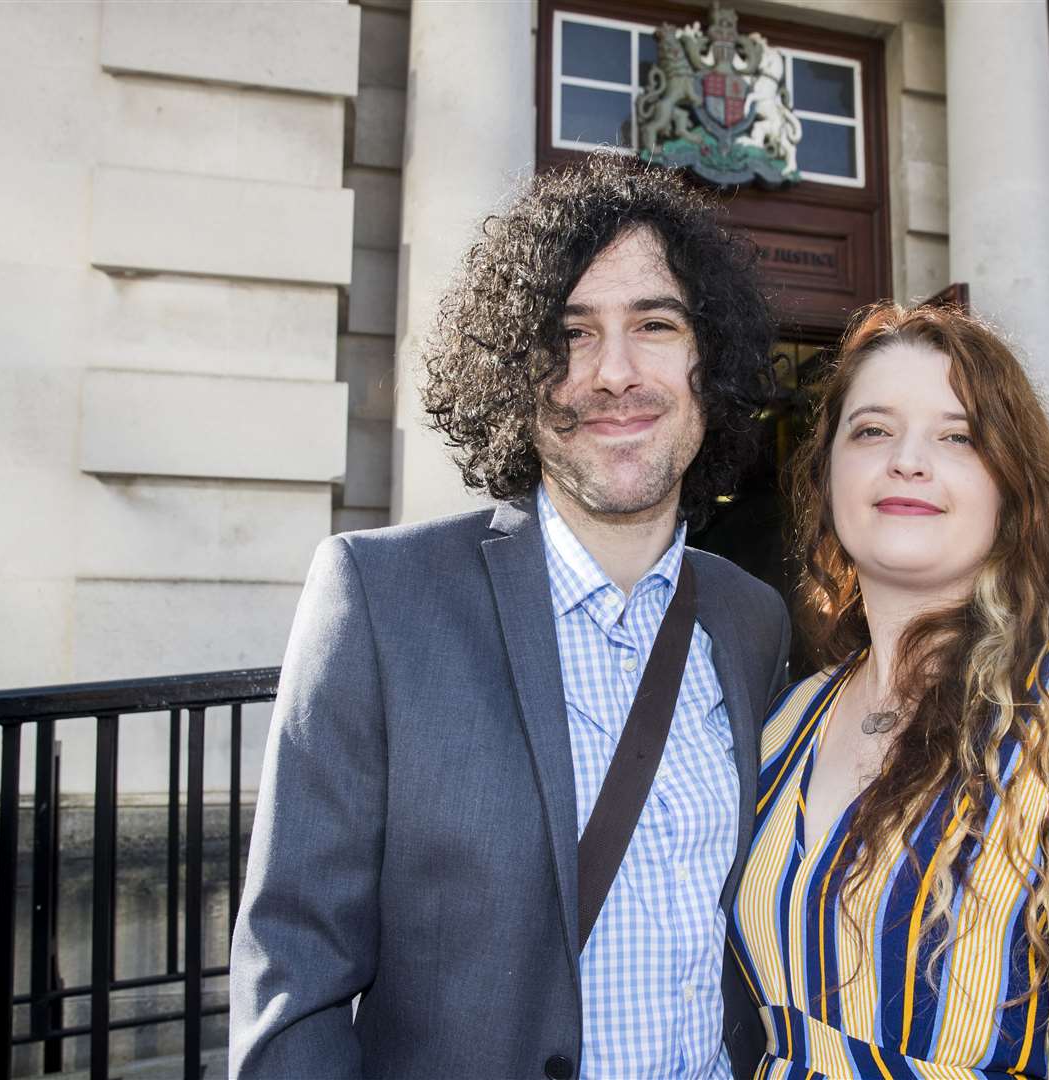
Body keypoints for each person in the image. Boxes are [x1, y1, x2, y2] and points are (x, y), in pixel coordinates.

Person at [229, 156, 791, 1080]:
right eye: (571, 333)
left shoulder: (750, 618)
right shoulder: (380, 598)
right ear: (514, 373)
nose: (614, 373)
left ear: (709, 361)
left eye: (654, 324)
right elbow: (294, 985)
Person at [729, 303, 1049, 1079]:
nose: (908, 460)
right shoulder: (792, 716)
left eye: (957, 436)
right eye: (871, 430)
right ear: (827, 471)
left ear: (1010, 484)